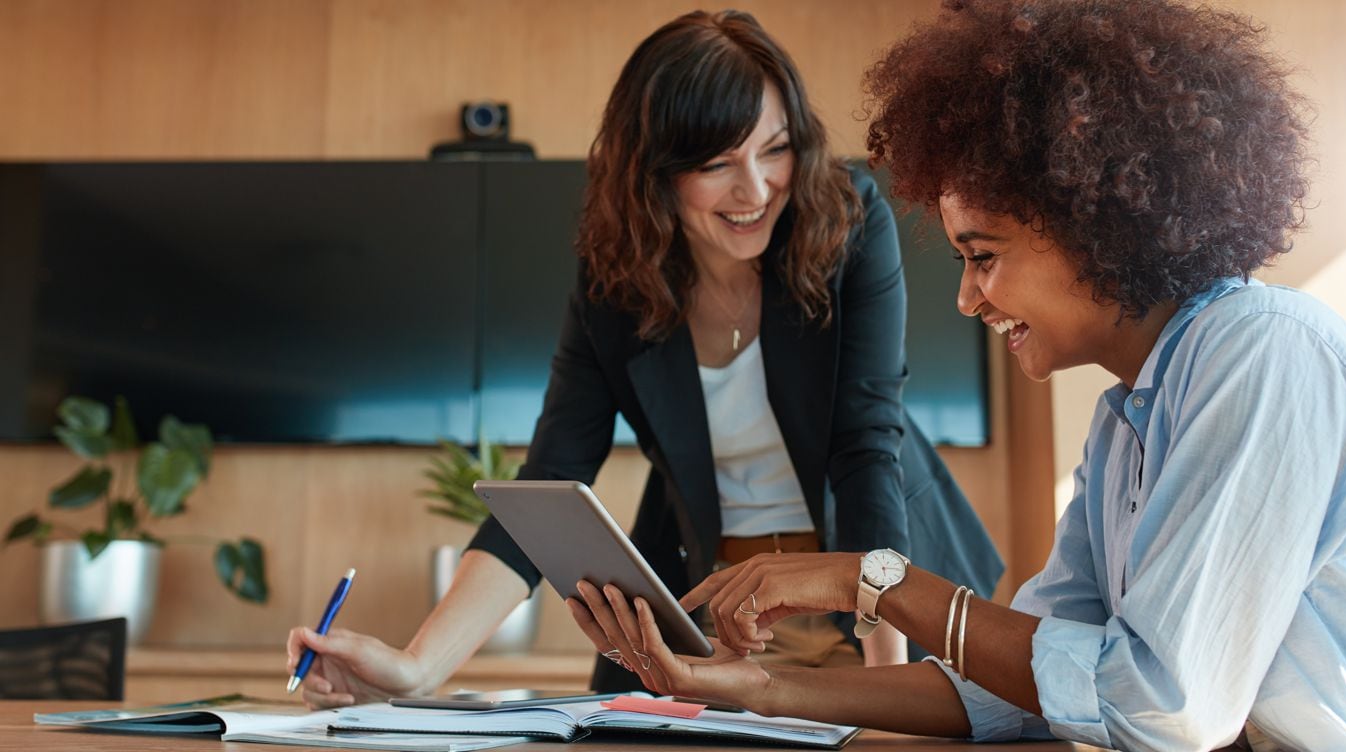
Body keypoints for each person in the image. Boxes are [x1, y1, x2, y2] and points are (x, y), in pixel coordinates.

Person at [566, 1, 1346, 750]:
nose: (968, 297)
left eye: (982, 257)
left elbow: (1162, 706)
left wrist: (876, 581)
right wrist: (757, 691)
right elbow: (1018, 688)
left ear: (1093, 221)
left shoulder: (1264, 354)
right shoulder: (1124, 424)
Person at [285, 9, 1002, 706]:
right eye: (718, 163)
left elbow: (864, 445)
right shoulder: (616, 281)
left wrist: (886, 685)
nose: (755, 189)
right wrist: (414, 669)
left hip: (877, 601)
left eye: (775, 148)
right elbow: (551, 481)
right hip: (720, 618)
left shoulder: (847, 221)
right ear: (655, 172)